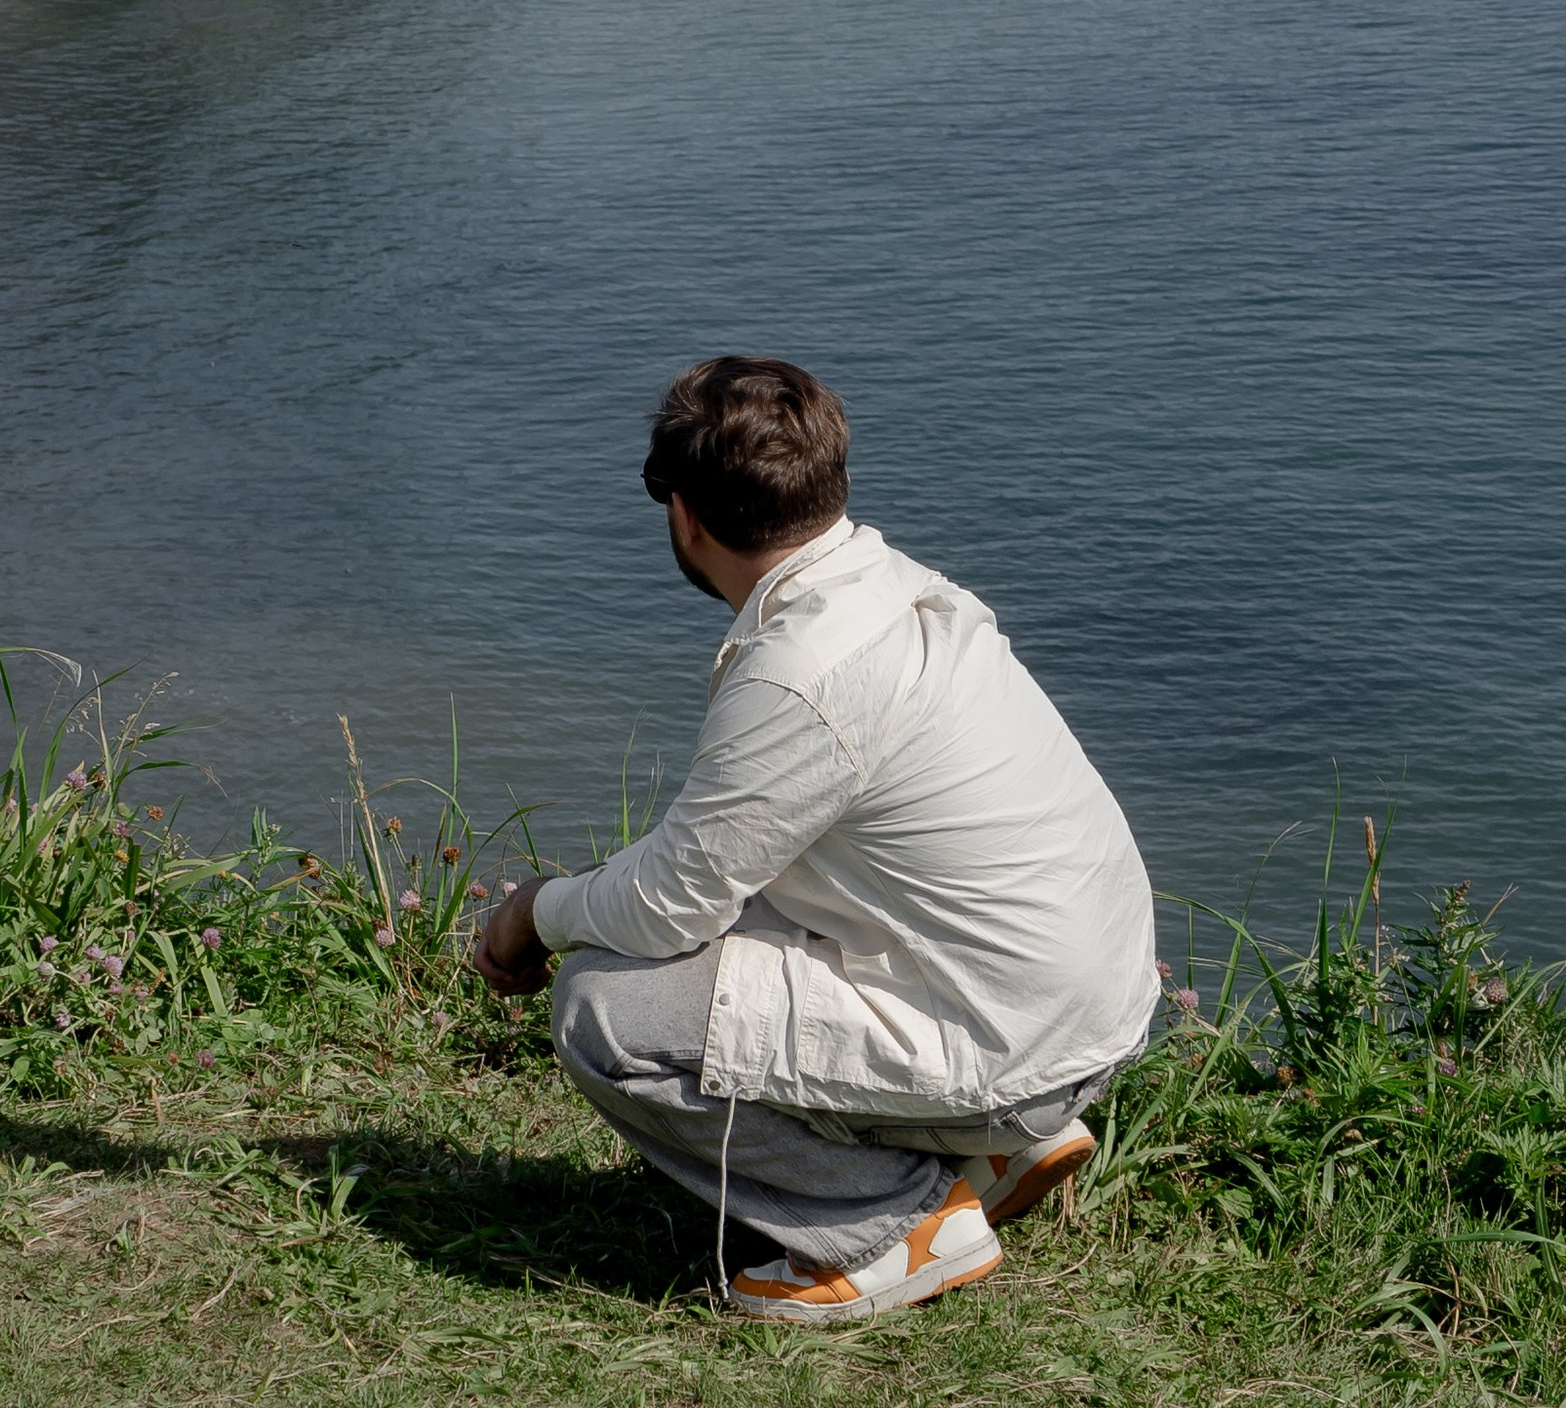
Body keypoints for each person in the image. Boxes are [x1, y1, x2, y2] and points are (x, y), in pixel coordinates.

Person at [471, 356, 1159, 1326]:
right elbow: (709, 878)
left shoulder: (800, 671)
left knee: (605, 1007)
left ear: (684, 518)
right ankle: (989, 1150)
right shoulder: (895, 588)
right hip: (1082, 1011)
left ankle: (888, 1227)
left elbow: (668, 907)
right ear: (827, 482)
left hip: (1020, 1048)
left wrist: (530, 912)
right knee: (724, 916)